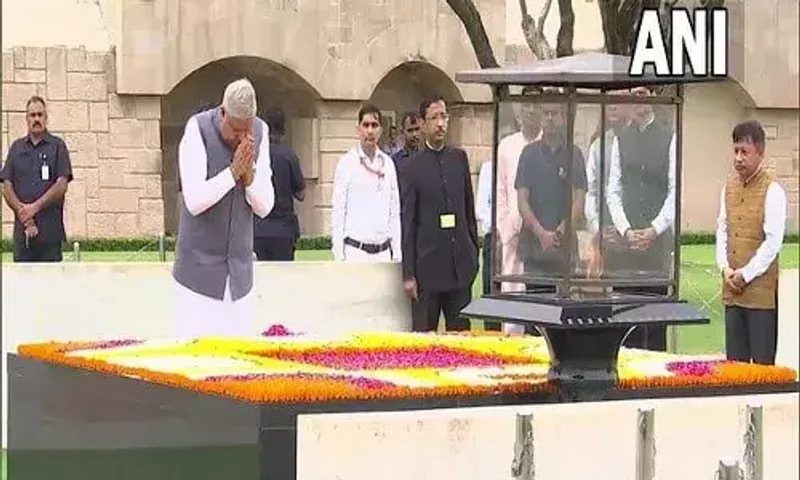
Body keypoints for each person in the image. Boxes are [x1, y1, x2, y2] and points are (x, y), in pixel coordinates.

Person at [172, 78, 275, 337]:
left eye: (246, 129)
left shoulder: (261, 132)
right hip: (197, 279)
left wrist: (248, 177)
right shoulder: (197, 130)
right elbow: (194, 201)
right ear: (222, 113)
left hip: (240, 280)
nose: (242, 138)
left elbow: (265, 206)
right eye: (235, 130)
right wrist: (233, 173)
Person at [606, 86, 676, 351]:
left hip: (656, 244)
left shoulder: (669, 138)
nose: (638, 102)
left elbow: (674, 190)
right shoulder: (620, 139)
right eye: (634, 95)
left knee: (655, 321)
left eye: (643, 95)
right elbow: (613, 189)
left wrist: (654, 230)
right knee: (625, 319)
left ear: (653, 98)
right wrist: (626, 231)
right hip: (627, 245)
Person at [401, 95, 479, 332]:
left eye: (443, 116)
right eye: (434, 118)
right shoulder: (412, 167)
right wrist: (409, 274)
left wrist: (474, 252)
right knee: (425, 342)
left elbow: (468, 210)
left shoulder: (459, 159)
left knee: (462, 341)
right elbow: (408, 223)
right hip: (428, 271)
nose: (440, 123)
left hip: (459, 268)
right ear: (423, 124)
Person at [716, 121, 786, 365]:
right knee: (734, 367)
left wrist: (745, 275)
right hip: (732, 291)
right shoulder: (728, 188)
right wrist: (725, 269)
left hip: (760, 296)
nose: (738, 158)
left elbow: (773, 242)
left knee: (762, 369)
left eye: (744, 152)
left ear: (760, 152)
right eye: (735, 151)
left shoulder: (773, 190)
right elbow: (722, 231)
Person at [515, 100, 587, 293]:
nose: (549, 118)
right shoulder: (528, 154)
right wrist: (541, 233)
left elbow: (580, 198)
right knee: (535, 314)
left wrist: (561, 231)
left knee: (564, 314)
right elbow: (522, 201)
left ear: (564, 117)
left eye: (554, 113)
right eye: (546, 113)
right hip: (534, 251)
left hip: (564, 250)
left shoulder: (574, 154)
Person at [1, 96, 72, 262]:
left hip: (50, 235)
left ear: (46, 117)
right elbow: (6, 185)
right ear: (27, 119)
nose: (36, 119)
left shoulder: (57, 146)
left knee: (51, 285)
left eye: (40, 115)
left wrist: (35, 207)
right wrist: (24, 214)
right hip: (23, 235)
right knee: (23, 286)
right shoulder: (16, 148)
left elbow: (62, 184)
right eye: (32, 115)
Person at [495, 88, 542, 334]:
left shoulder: (551, 142)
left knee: (540, 304)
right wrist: (505, 230)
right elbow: (501, 191)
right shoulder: (507, 146)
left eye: (535, 104)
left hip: (544, 236)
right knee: (512, 304)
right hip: (513, 233)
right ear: (519, 110)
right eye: (526, 105)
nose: (531, 110)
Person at [330, 104, 401, 262]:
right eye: (366, 125)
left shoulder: (388, 164)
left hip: (383, 253)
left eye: (374, 125)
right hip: (355, 253)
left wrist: (397, 253)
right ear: (358, 129)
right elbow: (338, 209)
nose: (370, 131)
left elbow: (394, 211)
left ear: (380, 130)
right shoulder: (347, 163)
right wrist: (338, 254)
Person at [584, 91, 631, 277]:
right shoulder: (598, 145)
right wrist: (597, 228)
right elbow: (591, 191)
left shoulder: (639, 139)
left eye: (617, 100)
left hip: (636, 234)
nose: (612, 106)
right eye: (608, 101)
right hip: (605, 233)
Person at [253, 106, 306, 261]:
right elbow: (301, 194)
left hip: (258, 229)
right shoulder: (289, 155)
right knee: (283, 280)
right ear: (283, 128)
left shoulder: (254, 155)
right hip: (284, 230)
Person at [475, 158, 501, 331]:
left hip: (518, 238)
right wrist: (497, 227)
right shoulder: (488, 168)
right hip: (494, 236)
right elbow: (482, 208)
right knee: (491, 292)